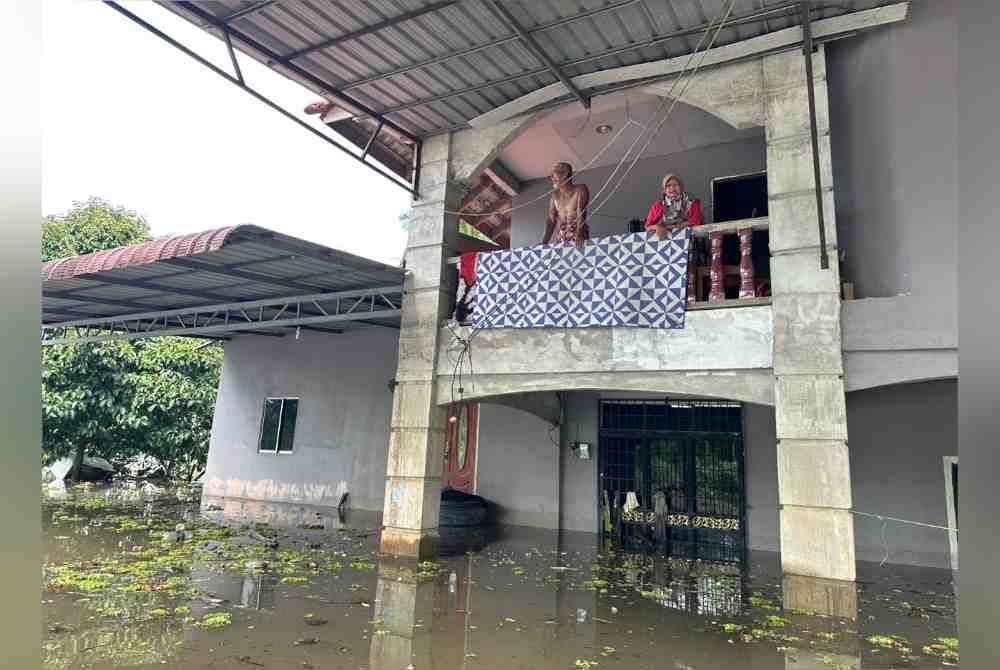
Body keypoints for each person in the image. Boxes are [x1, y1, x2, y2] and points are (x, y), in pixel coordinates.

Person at [542, 162, 590, 248]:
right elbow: (551, 220)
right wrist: (544, 242)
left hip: (579, 234)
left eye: (554, 173)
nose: (551, 177)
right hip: (561, 236)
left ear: (565, 174)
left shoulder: (580, 189)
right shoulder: (555, 196)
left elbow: (580, 213)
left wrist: (579, 234)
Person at [644, 173, 703, 239]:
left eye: (675, 185)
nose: (672, 188)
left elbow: (696, 222)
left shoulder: (692, 202)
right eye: (668, 186)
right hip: (665, 241)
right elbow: (648, 226)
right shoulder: (658, 205)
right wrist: (657, 227)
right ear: (664, 190)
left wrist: (670, 228)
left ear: (681, 187)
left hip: (689, 239)